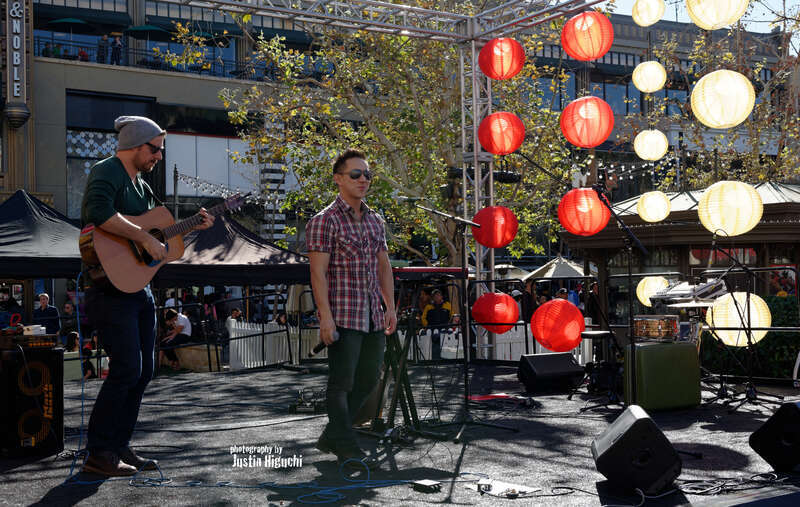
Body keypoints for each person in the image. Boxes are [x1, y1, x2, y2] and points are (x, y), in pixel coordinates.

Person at [80, 115, 214, 476]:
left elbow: (161, 237)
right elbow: (98, 213)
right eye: (154, 149)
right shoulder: (107, 170)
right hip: (108, 288)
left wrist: (193, 223)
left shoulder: (143, 186)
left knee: (144, 372)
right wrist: (142, 238)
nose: (158, 156)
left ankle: (119, 446)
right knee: (126, 369)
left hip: (138, 289)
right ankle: (98, 452)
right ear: (136, 146)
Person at [306, 148, 396, 470]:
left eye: (367, 175)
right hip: (343, 314)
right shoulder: (323, 221)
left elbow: (383, 266)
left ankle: (333, 433)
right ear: (338, 179)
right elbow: (317, 274)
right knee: (341, 383)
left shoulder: (375, 220)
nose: (363, 180)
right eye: (356, 174)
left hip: (372, 314)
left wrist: (391, 306)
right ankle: (345, 444)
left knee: (370, 379)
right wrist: (325, 317)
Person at [421, 289, 452, 360]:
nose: (437, 297)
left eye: (438, 295)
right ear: (432, 298)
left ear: (441, 296)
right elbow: (423, 318)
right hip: (432, 330)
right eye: (435, 296)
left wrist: (449, 325)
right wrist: (427, 326)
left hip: (445, 330)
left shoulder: (447, 305)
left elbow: (452, 316)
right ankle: (435, 359)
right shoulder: (428, 307)